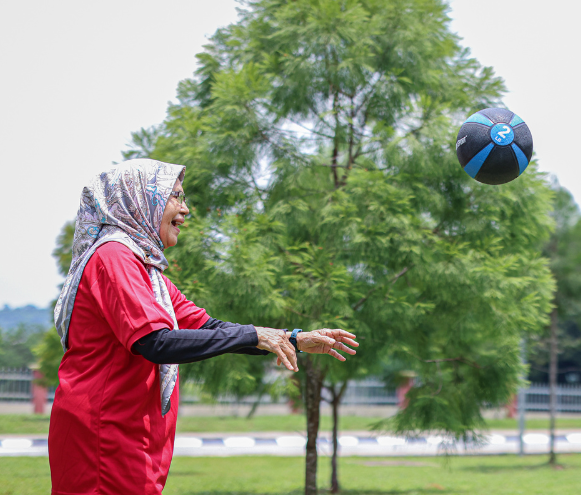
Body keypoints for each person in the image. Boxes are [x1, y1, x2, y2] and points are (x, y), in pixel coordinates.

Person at [49, 159, 360, 495]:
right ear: (140, 199)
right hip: (102, 435)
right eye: (175, 197)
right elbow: (155, 342)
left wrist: (292, 338)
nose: (185, 209)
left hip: (127, 432)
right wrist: (256, 335)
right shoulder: (114, 257)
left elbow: (209, 327)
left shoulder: (147, 274)